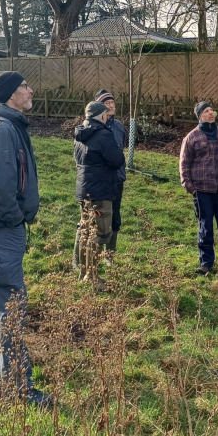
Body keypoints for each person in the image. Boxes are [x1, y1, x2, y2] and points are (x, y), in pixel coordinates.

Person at [0, 70, 53, 407]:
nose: (31, 89)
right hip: (2, 229)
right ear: (9, 94)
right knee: (12, 307)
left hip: (2, 230)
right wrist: (14, 219)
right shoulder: (3, 130)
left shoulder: (11, 126)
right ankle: (19, 389)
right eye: (24, 85)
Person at [178, 101, 218, 276]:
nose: (211, 113)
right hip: (202, 191)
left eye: (212, 110)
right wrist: (190, 186)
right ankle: (206, 263)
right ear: (200, 116)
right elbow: (184, 164)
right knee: (205, 228)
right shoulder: (192, 138)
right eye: (206, 111)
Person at [73, 100, 125, 289]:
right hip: (101, 190)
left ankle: (83, 273)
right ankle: (93, 277)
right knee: (101, 232)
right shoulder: (103, 134)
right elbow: (116, 159)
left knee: (86, 231)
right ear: (101, 116)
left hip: (84, 189)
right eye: (105, 113)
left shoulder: (80, 134)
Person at [93, 89, 129, 250]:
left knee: (115, 214)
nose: (110, 106)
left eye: (112, 102)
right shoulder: (95, 127)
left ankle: (110, 252)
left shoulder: (119, 127)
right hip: (100, 180)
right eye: (106, 103)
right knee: (98, 215)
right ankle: (93, 251)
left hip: (117, 178)